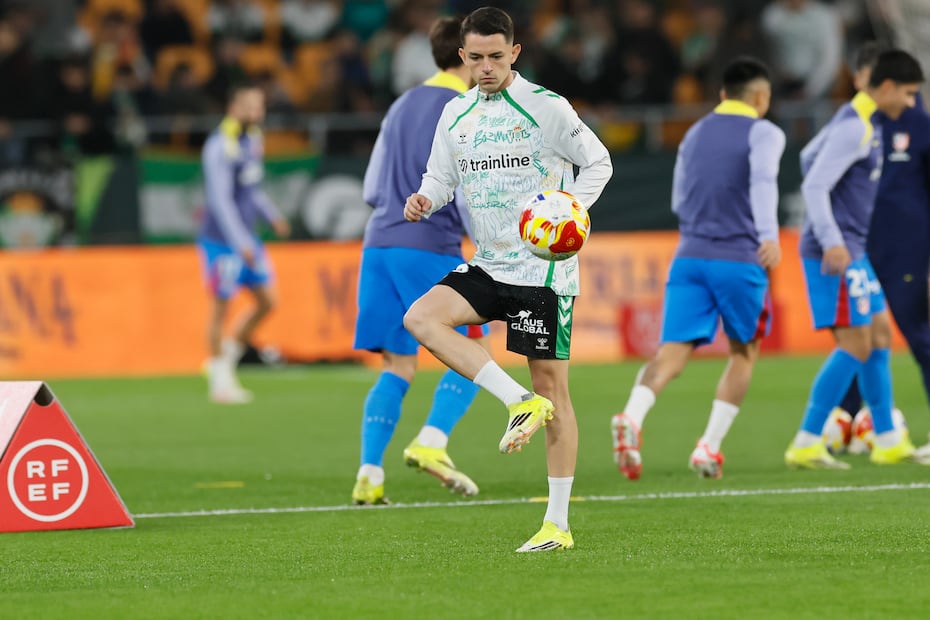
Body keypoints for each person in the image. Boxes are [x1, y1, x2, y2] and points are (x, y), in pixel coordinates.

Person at [403, 6, 612, 552]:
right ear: (462, 57)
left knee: (554, 390)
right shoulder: (455, 115)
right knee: (421, 318)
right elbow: (441, 177)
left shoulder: (546, 108)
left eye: (497, 56)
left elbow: (599, 162)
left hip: (541, 270)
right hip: (490, 261)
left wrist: (572, 211)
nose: (487, 66)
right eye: (477, 58)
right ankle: (514, 400)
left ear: (514, 53)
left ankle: (557, 525)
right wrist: (426, 198)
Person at [611, 57, 785, 481]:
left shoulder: (694, 132)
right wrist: (769, 234)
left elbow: (677, 199)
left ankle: (632, 417)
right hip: (738, 258)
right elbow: (763, 181)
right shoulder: (764, 132)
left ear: (723, 94)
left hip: (688, 255)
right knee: (744, 352)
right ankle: (708, 447)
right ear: (761, 97)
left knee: (670, 354)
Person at [351, 15, 491, 506]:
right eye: (481, 55)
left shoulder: (400, 105)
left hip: (378, 246)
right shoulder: (466, 107)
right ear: (464, 55)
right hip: (426, 245)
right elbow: (471, 191)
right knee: (475, 344)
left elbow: (370, 189)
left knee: (398, 363)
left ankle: (369, 473)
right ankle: (433, 441)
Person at [784, 49, 925, 468]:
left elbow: (809, 156)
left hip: (853, 249)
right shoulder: (855, 127)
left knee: (879, 334)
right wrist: (831, 238)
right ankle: (807, 439)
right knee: (856, 342)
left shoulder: (854, 119)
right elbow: (813, 185)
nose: (912, 103)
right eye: (909, 93)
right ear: (885, 87)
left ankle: (886, 437)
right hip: (838, 252)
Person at [837, 45, 930, 460]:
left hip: (908, 252)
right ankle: (845, 421)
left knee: (921, 339)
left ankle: (845, 421)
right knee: (861, 337)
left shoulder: (921, 126)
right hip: (861, 249)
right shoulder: (856, 124)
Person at [197, 84, 290, 404]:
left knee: (268, 301)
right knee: (220, 308)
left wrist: (272, 215)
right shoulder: (219, 145)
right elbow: (220, 199)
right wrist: (240, 242)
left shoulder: (253, 140)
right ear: (234, 106)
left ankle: (227, 360)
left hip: (247, 238)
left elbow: (251, 189)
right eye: (250, 106)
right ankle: (219, 380)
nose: (256, 112)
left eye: (259, 106)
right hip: (222, 242)